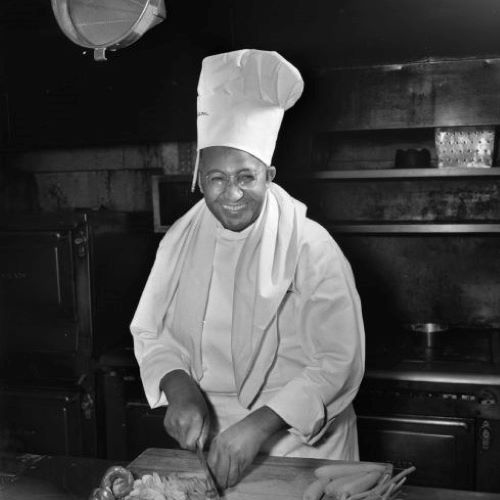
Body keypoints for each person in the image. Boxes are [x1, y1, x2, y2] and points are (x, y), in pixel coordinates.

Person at [130, 49, 365, 490]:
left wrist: (258, 427)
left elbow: (338, 362)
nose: (231, 193)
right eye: (217, 178)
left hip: (302, 451)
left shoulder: (311, 246)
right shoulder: (179, 242)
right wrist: (178, 387)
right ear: (199, 179)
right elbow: (151, 332)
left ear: (269, 175)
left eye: (246, 177)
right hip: (216, 453)